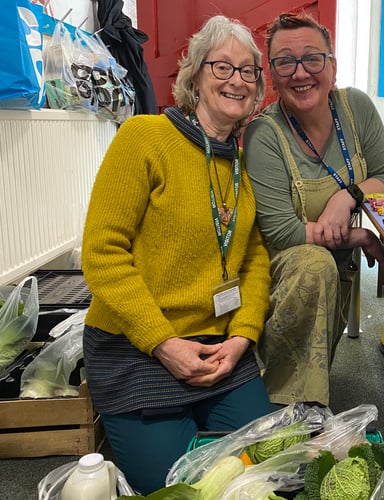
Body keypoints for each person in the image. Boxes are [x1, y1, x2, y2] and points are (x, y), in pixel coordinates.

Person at [81, 15, 272, 494]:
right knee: (178, 487)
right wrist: (163, 343)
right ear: (194, 76)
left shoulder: (240, 167)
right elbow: (103, 254)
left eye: (248, 71)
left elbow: (253, 261)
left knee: (265, 470)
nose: (237, 80)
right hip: (136, 347)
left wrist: (243, 337)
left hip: (219, 346)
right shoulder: (144, 138)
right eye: (222, 67)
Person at [244, 12, 384, 408]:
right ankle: (291, 413)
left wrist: (346, 196)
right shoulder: (264, 134)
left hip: (335, 267)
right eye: (285, 61)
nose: (301, 73)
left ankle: (301, 402)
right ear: (272, 74)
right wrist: (358, 234)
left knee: (324, 269)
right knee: (314, 266)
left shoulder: (355, 109)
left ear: (332, 66)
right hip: (285, 274)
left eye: (312, 58)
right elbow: (282, 231)